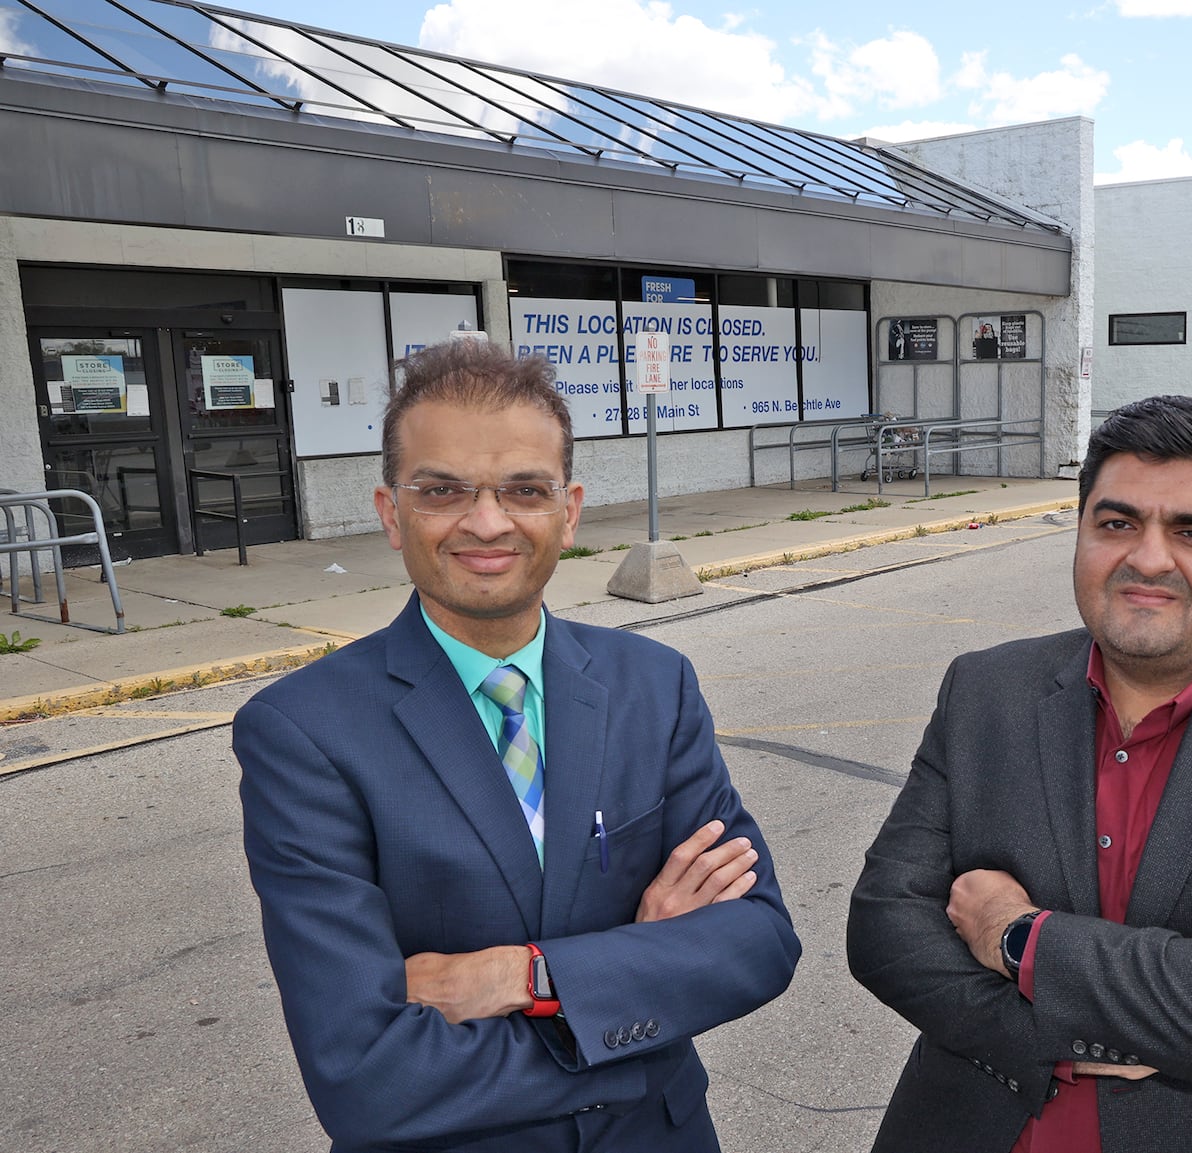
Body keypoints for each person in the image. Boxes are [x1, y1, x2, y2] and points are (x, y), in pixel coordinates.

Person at [237, 340, 800, 1153]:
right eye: (443, 490)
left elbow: (758, 939)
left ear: (567, 511)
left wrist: (522, 977)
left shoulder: (656, 684)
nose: (488, 520)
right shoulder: (303, 732)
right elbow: (367, 1076)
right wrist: (634, 999)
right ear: (392, 513)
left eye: (524, 490)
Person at [847, 394, 1192, 1153]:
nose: (1148, 558)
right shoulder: (985, 690)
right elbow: (885, 925)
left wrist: (1021, 939)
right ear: (1080, 533)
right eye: (1116, 524)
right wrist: (1109, 1028)